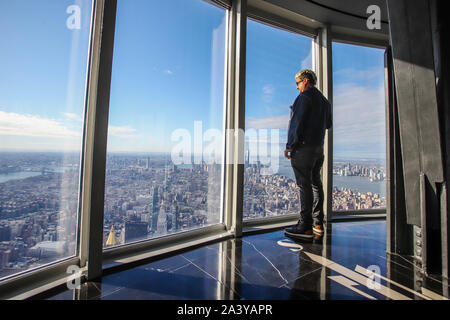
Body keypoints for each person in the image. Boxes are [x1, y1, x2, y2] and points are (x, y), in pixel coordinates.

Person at [284, 69, 332, 240]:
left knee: (304, 185)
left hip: (304, 149)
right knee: (316, 184)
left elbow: (296, 123)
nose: (297, 88)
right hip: (319, 148)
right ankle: (318, 223)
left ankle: (305, 225)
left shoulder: (303, 98)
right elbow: (328, 124)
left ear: (305, 81)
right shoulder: (325, 102)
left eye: (297, 83)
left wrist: (290, 145)